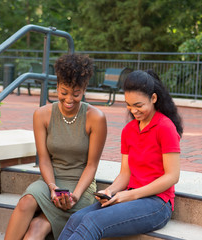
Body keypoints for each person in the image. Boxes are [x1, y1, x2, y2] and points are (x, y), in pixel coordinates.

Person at [59, 69, 183, 240]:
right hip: (130, 197)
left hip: (157, 203)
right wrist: (110, 191)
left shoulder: (165, 127)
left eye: (139, 105)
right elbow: (125, 174)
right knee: (76, 218)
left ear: (153, 98)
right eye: (129, 105)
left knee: (92, 222)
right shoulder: (129, 131)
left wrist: (129, 195)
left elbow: (172, 176)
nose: (133, 111)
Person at [4, 54, 107, 240]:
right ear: (57, 86)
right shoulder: (41, 115)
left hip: (80, 187)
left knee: (36, 227)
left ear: (84, 89)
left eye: (76, 93)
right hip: (51, 181)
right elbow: (43, 159)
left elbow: (92, 165)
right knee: (26, 201)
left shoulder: (96, 117)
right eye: (63, 91)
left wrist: (74, 196)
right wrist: (52, 187)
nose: (69, 99)